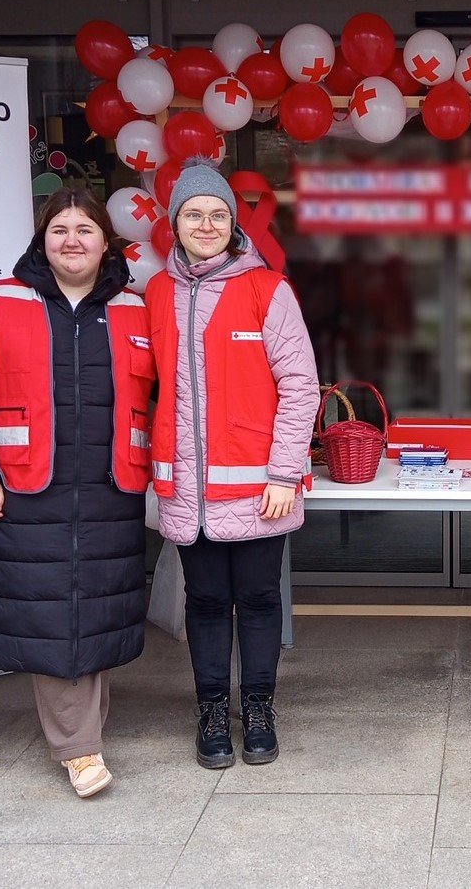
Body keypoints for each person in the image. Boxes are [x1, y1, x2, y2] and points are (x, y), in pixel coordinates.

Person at [0, 189, 153, 798]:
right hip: (27, 491)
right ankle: (78, 748)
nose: (72, 241)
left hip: (111, 489)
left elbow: (164, 396)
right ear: (42, 240)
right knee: (52, 612)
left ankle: (84, 731)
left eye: (85, 229)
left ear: (106, 242)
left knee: (96, 609)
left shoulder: (136, 309)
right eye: (59, 229)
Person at [145, 159, 318, 770]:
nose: (207, 225)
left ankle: (260, 708)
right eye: (193, 214)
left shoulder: (267, 289)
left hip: (258, 487)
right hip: (187, 490)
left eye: (218, 214)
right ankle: (214, 711)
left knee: (260, 599)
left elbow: (300, 386)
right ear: (174, 223)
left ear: (234, 223)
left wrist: (283, 473)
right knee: (206, 602)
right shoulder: (156, 293)